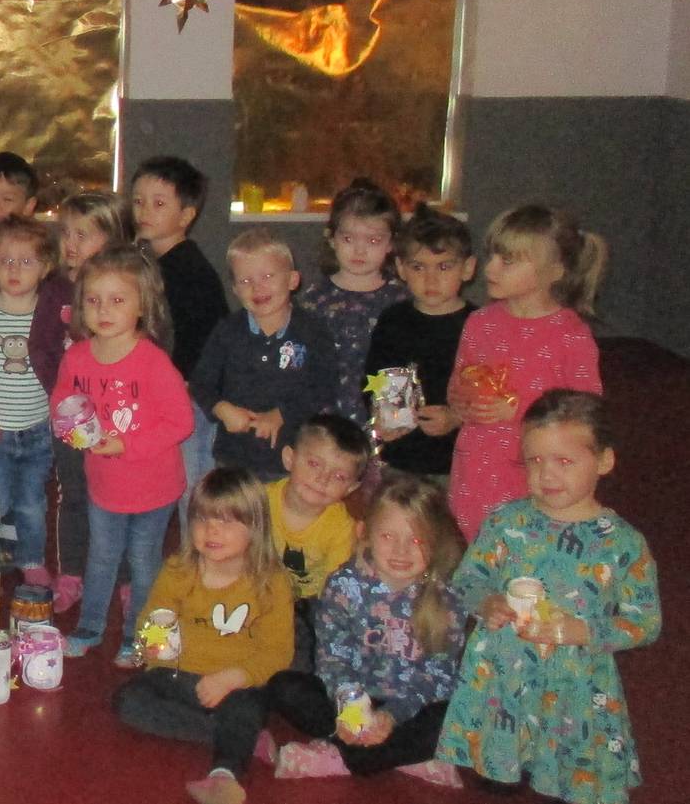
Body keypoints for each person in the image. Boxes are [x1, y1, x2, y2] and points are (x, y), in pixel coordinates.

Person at [436, 390, 657, 804]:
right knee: (496, 781)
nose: (547, 475)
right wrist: (486, 602)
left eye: (565, 461)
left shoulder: (624, 543)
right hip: (505, 675)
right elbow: (468, 578)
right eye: (535, 460)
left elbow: (644, 620)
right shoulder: (506, 521)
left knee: (571, 777)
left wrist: (584, 630)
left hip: (575, 681)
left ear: (604, 461)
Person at [265, 474, 464, 783]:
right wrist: (352, 710)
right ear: (365, 534)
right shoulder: (344, 585)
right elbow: (332, 658)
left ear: (436, 543)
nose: (401, 551)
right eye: (387, 537)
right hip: (350, 700)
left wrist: (392, 716)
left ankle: (343, 756)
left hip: (410, 707)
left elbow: (440, 675)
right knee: (284, 686)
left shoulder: (446, 597)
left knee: (456, 715)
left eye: (416, 540)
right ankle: (397, 756)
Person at [113, 468, 296, 804]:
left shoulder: (270, 582)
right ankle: (237, 736)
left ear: (255, 528)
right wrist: (155, 646)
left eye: (227, 521)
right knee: (129, 701)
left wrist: (233, 677)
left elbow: (277, 652)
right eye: (202, 519)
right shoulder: (179, 570)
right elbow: (151, 620)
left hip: (237, 683)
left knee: (247, 705)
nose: (212, 530)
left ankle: (224, 775)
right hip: (179, 675)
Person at [49, 244, 193, 664]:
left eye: (117, 300)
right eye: (93, 300)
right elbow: (62, 399)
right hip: (105, 484)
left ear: (142, 306)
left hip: (155, 485)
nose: (103, 310)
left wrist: (126, 444)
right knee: (102, 557)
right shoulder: (77, 356)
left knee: (144, 562)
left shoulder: (152, 362)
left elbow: (179, 423)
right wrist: (69, 427)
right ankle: (90, 627)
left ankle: (136, 635)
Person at [447, 205, 605, 539]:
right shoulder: (478, 323)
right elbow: (458, 382)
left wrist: (521, 411)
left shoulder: (570, 334)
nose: (491, 268)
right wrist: (460, 405)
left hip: (534, 472)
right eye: (492, 256)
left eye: (508, 260)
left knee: (525, 557)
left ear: (555, 271)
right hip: (475, 465)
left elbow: (587, 413)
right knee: (471, 556)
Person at [192, 228, 338, 483]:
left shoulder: (312, 331)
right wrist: (221, 408)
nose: (257, 288)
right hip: (234, 456)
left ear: (293, 280)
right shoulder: (228, 331)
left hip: (291, 458)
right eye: (245, 281)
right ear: (235, 289)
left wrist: (281, 414)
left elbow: (323, 386)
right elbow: (201, 382)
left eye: (268, 276)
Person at [46, 190, 132, 614]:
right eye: (65, 234)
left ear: (113, 238)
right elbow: (41, 346)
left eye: (84, 234)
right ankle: (72, 572)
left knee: (118, 496)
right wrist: (61, 401)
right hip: (70, 418)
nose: (71, 244)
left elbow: (149, 344)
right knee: (74, 493)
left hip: (118, 415)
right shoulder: (57, 288)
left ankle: (123, 575)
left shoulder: (130, 288)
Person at [132, 156, 229, 506]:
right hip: (175, 387)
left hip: (192, 392)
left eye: (159, 204)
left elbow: (201, 337)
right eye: (139, 201)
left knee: (194, 482)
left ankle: (200, 553)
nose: (145, 210)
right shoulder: (151, 260)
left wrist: (177, 386)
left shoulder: (187, 269)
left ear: (186, 215)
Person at [0, 217, 58, 575]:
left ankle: (31, 561)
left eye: (26, 261)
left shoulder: (49, 316)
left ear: (45, 267)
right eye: (5, 261)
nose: (14, 270)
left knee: (32, 503)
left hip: (37, 430)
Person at [367, 207, 476, 479]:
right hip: (400, 458)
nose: (431, 279)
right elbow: (373, 377)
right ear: (401, 268)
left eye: (444, 266)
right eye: (418, 267)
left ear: (468, 268)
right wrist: (380, 414)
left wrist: (456, 418)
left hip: (457, 462)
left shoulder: (480, 325)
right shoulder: (392, 320)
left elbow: (490, 393)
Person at [297, 179, 408, 422]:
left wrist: (397, 419)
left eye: (373, 241)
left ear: (391, 243)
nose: (359, 251)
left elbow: (406, 365)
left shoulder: (401, 302)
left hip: (383, 423)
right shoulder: (314, 301)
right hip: (325, 423)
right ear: (331, 238)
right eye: (349, 239)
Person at [267, 414, 370, 665]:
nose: (322, 479)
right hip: (254, 590)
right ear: (289, 458)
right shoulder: (258, 501)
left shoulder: (340, 527)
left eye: (338, 477)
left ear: (351, 489)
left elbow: (332, 591)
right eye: (314, 464)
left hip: (307, 604)